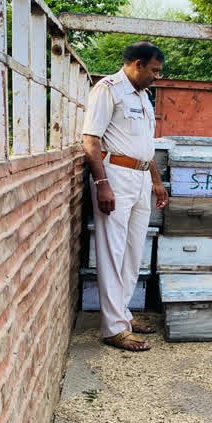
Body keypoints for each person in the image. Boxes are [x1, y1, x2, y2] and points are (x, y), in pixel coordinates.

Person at [82, 41, 169, 352]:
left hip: (141, 177)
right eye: (154, 70)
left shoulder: (144, 97)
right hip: (115, 175)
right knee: (113, 251)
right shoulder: (108, 89)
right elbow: (91, 139)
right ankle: (113, 329)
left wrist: (156, 180)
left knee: (133, 253)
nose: (157, 77)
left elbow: (146, 145)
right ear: (136, 64)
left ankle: (123, 315)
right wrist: (101, 182)